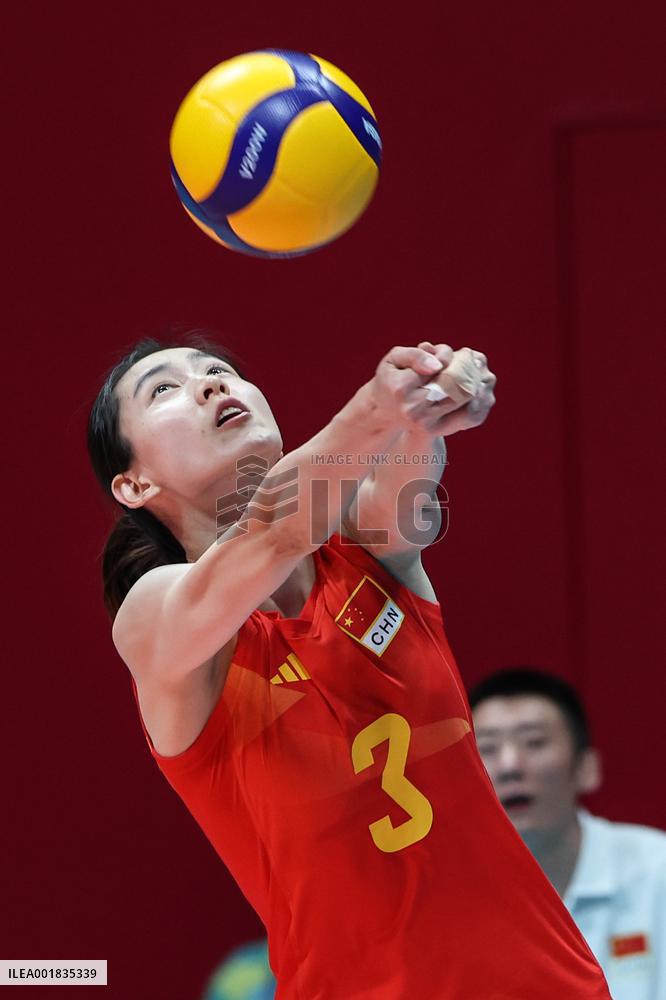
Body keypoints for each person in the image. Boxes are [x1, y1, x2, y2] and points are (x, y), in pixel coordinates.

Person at [88, 331, 611, 999]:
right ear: (134, 484)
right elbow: (274, 531)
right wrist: (377, 407)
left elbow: (407, 475)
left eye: (220, 370)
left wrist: (432, 399)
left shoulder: (365, 542)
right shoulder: (157, 620)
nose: (213, 385)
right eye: (164, 390)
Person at [470, 667, 666, 1000]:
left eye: (534, 742)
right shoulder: (446, 896)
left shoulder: (658, 872)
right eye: (487, 748)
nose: (509, 765)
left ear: (585, 768)